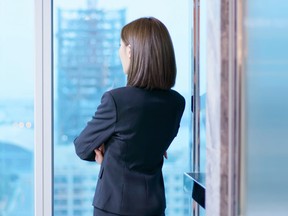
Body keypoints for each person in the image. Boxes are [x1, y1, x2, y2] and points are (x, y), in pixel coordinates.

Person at [74, 17, 185, 216]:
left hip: (114, 208)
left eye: (120, 45)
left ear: (131, 51)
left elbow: (82, 147)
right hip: (154, 207)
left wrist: (107, 153)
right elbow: (151, 147)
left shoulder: (117, 100)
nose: (119, 52)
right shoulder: (176, 103)